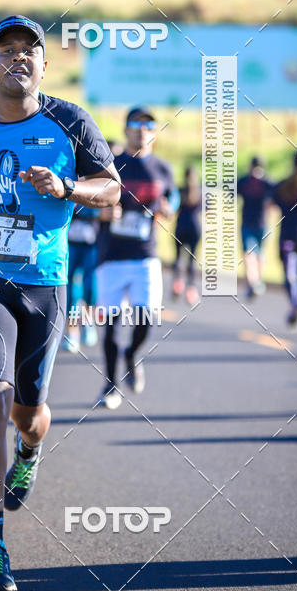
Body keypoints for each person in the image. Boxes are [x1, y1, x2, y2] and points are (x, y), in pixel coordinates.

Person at [0, 15, 120, 591]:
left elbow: (112, 188)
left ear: (44, 65)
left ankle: (33, 446)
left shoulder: (69, 122)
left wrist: (67, 190)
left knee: (27, 411)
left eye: (29, 51)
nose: (18, 58)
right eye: (6, 50)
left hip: (45, 276)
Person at [95, 107, 177, 410]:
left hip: (146, 255)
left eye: (148, 125)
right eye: (135, 124)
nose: (141, 130)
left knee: (146, 317)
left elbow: (173, 197)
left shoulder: (163, 169)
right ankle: (111, 383)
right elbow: (86, 201)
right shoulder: (111, 165)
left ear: (154, 131)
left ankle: (132, 355)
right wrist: (100, 212)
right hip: (112, 256)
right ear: (126, 129)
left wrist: (169, 208)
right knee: (112, 324)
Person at [272, 151, 297, 326]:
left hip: (288, 235)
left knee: (290, 274)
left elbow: (270, 203)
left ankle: (296, 302)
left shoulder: (282, 186)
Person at [61, 204, 100, 352]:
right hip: (69, 242)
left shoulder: (95, 181)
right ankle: (72, 331)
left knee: (90, 286)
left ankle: (88, 320)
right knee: (70, 288)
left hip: (91, 243)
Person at [237, 156, 273, 298]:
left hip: (252, 223)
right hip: (259, 223)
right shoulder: (267, 182)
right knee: (256, 254)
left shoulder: (245, 181)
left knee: (251, 254)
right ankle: (256, 282)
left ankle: (254, 282)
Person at [172, 166, 202, 305]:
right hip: (195, 227)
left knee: (178, 256)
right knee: (192, 259)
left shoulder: (179, 190)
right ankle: (191, 289)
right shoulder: (200, 191)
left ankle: (178, 283)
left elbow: (174, 207)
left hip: (181, 226)